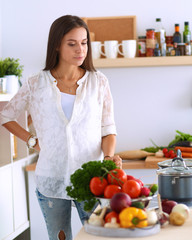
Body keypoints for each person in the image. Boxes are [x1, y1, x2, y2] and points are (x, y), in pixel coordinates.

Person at [0, 15, 122, 240]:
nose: (80, 49)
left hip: (91, 180)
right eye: (72, 43)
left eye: (84, 43)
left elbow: (108, 128)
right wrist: (32, 141)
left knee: (99, 237)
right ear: (56, 45)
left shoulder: (99, 82)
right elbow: (5, 115)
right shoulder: (36, 83)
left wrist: (108, 157)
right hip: (51, 180)